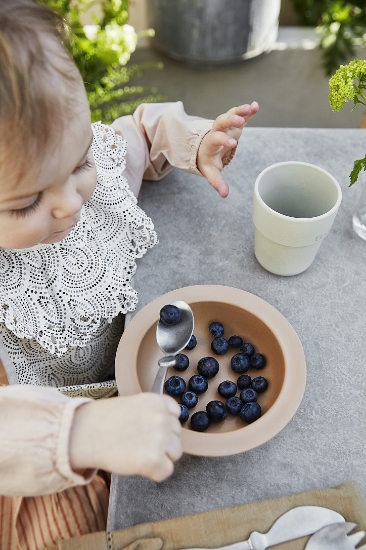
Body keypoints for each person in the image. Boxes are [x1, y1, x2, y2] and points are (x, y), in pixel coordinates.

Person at [0, 0, 259, 548]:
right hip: (49, 444)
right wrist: (79, 433)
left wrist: (193, 143)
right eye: (25, 204)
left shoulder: (84, 175)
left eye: (79, 164)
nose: (71, 203)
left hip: (143, 384)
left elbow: (140, 132)